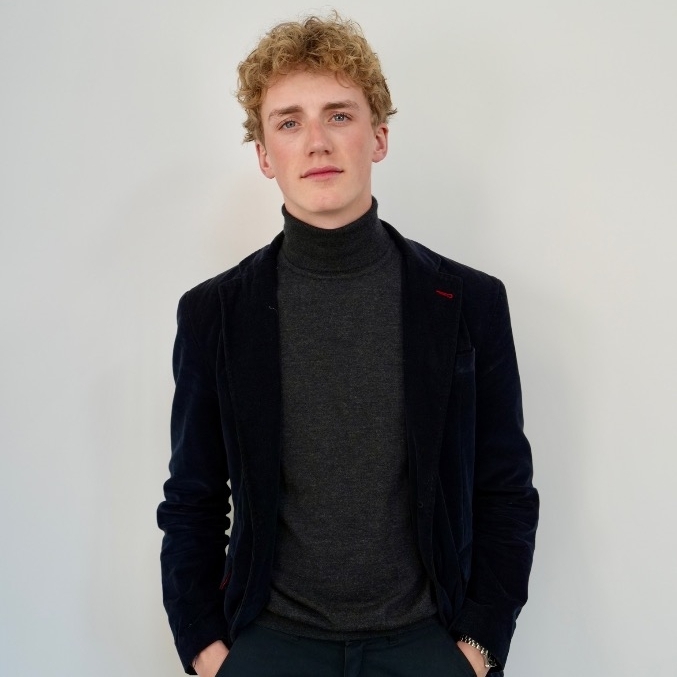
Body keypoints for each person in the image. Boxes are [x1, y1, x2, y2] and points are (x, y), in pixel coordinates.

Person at [157, 13, 538, 677]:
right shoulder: (213, 313)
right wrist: (208, 652)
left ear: (378, 136)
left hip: (425, 645)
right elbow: (193, 499)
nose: (316, 142)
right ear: (263, 155)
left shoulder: (469, 303)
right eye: (288, 122)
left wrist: (477, 649)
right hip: (270, 647)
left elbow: (504, 490)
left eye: (338, 115)